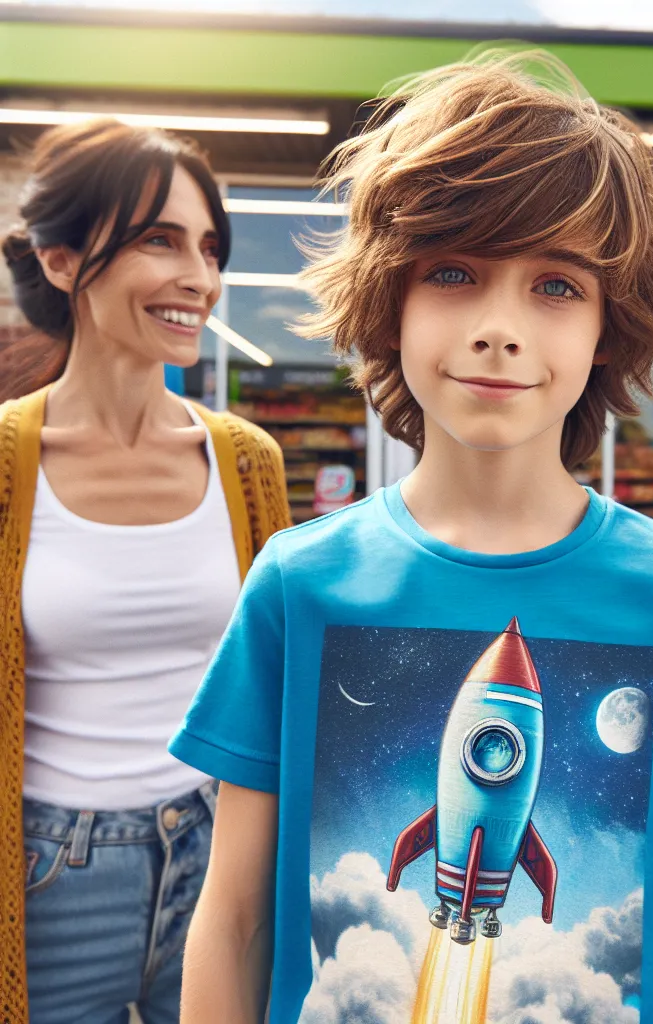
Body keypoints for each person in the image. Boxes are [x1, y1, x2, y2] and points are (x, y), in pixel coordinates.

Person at [171, 50, 653, 1024]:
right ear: (392, 300)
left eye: (556, 285)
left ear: (609, 325)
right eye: (454, 272)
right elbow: (236, 914)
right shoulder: (298, 581)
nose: (499, 327)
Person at [0, 119, 292, 1024]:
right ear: (60, 261)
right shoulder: (7, 463)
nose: (199, 278)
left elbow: (275, 684)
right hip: (48, 873)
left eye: (209, 247)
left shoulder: (249, 462)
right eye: (160, 241)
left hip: (219, 853)